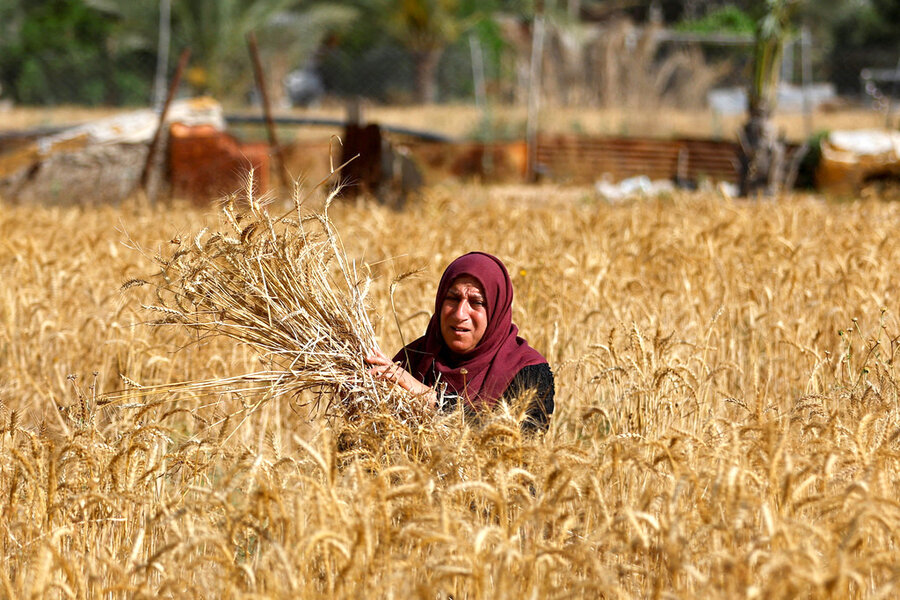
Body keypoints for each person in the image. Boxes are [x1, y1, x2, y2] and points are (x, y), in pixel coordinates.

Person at [367, 252, 555, 432]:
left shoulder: (528, 371)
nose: (459, 314)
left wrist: (431, 399)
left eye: (476, 302)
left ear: (496, 310)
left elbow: (518, 445)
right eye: (453, 298)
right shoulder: (413, 358)